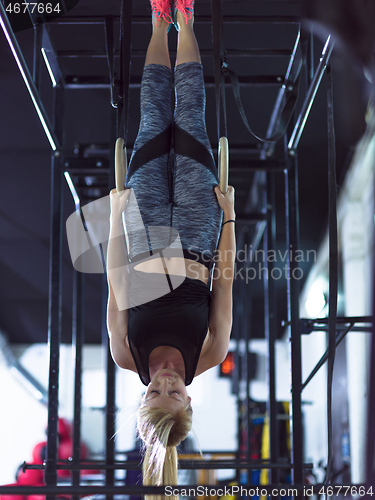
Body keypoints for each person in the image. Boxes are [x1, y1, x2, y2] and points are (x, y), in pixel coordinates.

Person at [106, 0, 236, 495]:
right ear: (187, 400)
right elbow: (223, 281)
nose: (163, 378)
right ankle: (186, 16)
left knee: (155, 114)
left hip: (144, 233)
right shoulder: (210, 349)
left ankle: (160, 19)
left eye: (155, 390)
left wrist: (117, 217)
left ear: (144, 399)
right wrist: (228, 217)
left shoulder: (126, 354)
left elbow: (118, 286)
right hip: (201, 234)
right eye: (174, 391)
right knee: (192, 114)